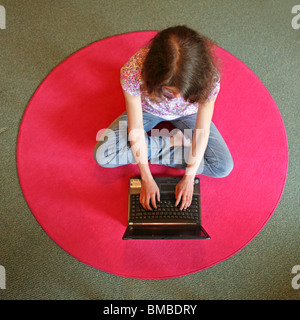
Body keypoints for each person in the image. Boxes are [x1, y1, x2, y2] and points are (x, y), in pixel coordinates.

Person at [93, 25, 233, 211]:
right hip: (148, 111)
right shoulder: (133, 72)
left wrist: (189, 177)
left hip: (187, 115)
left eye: (184, 93)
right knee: (103, 154)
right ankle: (171, 142)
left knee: (223, 166)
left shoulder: (209, 79)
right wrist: (146, 177)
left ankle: (154, 147)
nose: (176, 98)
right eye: (169, 93)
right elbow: (135, 128)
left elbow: (202, 130)